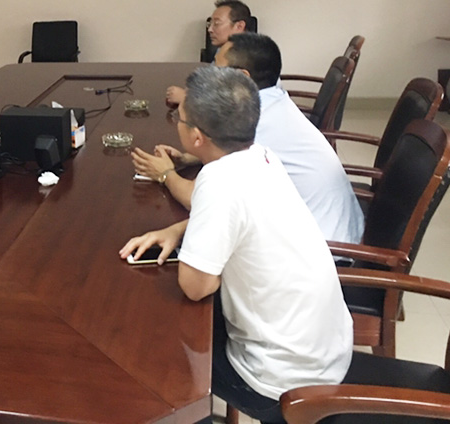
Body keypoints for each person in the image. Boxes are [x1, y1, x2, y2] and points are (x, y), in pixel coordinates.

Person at [120, 66, 353, 423]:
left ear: (197, 137)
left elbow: (196, 287)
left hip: (278, 384)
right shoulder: (261, 155)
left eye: (180, 120)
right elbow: (247, 219)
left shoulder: (218, 182)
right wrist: (181, 229)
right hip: (325, 352)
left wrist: (201, 244)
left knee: (156, 344)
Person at [135, 33, 364, 243]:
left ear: (242, 76)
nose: (211, 72)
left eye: (217, 67)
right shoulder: (271, 99)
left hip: (326, 249)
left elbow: (198, 199)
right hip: (328, 227)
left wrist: (165, 174)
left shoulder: (254, 123)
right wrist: (189, 158)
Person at [166, 0, 251, 107]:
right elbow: (210, 83)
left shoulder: (247, 58)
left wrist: (187, 98)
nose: (210, 29)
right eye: (210, 24)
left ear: (239, 26)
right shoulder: (223, 49)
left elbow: (232, 105)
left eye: (217, 23)